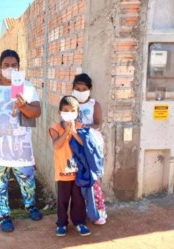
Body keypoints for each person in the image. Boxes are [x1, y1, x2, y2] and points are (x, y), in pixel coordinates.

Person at [0, 49, 43, 233]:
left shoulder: (26, 87)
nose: (10, 69)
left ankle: (30, 205)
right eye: (6, 65)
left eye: (14, 65)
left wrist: (23, 105)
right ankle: (4, 215)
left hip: (21, 146)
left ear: (19, 67)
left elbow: (36, 112)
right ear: (0, 67)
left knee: (27, 178)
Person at [49, 96, 91, 237]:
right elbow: (56, 145)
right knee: (62, 200)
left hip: (79, 173)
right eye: (65, 110)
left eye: (72, 110)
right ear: (59, 112)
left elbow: (85, 145)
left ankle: (79, 222)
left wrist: (73, 131)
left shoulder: (81, 128)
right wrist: (66, 132)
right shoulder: (55, 128)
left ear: (77, 112)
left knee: (79, 200)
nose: (69, 113)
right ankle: (61, 224)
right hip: (62, 173)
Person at [71, 73, 107, 225]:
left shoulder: (94, 105)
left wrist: (83, 127)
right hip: (75, 147)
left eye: (83, 88)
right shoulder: (70, 103)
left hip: (91, 148)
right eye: (77, 88)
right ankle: (82, 211)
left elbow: (98, 124)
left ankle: (99, 211)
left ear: (89, 89)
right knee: (78, 180)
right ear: (73, 89)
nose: (80, 91)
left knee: (93, 180)